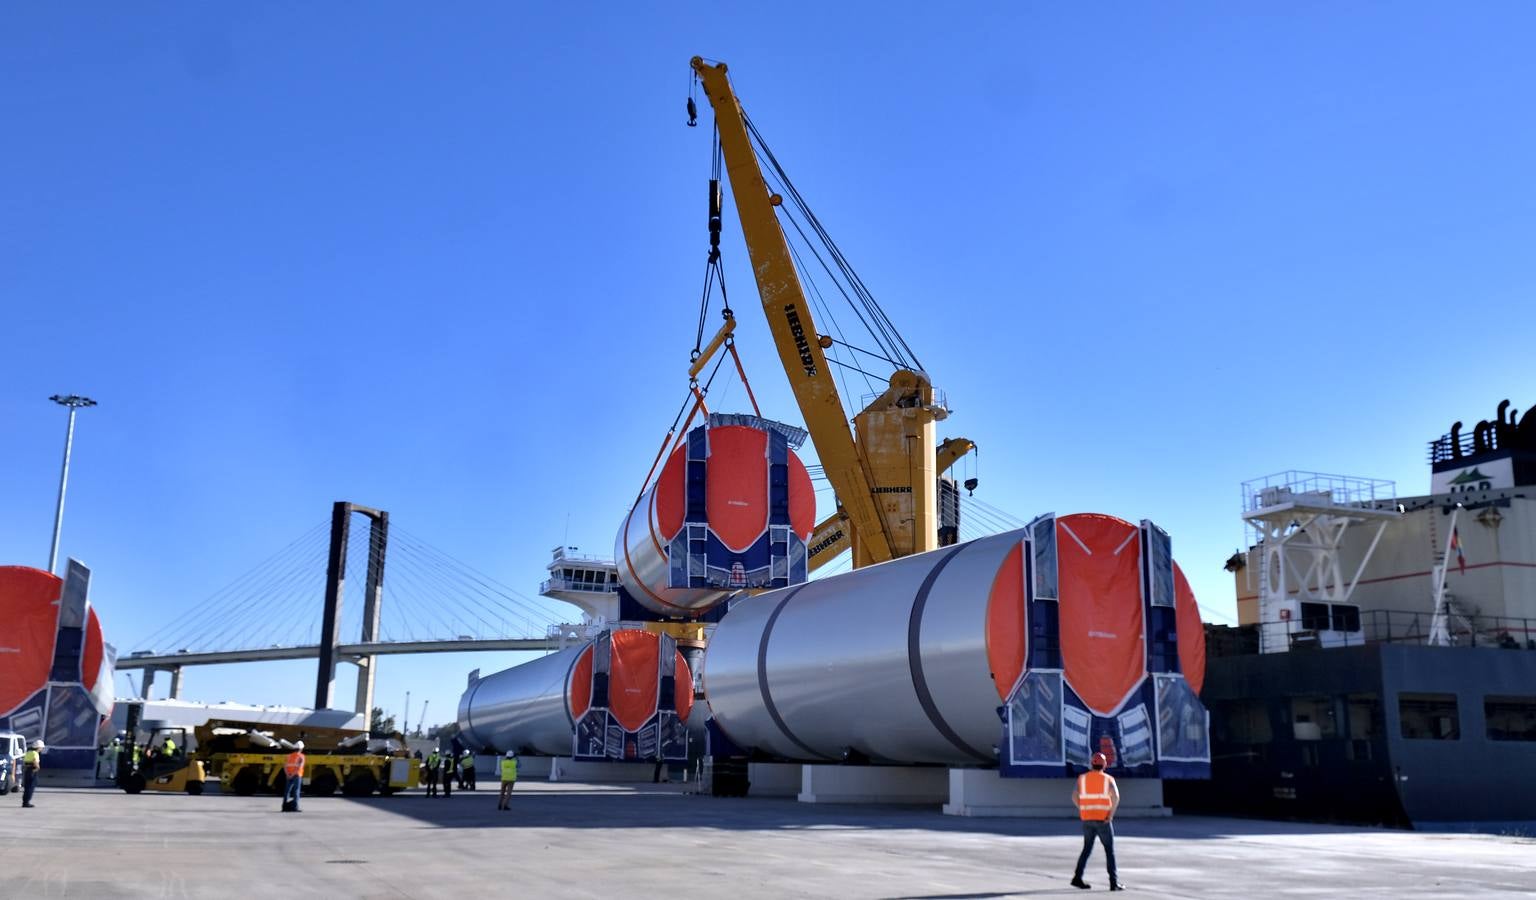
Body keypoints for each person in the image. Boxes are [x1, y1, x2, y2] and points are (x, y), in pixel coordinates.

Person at [1071, 752, 1122, 891]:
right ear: (1105, 764)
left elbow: (1074, 795)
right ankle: (1113, 882)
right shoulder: (1108, 779)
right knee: (1109, 850)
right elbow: (1116, 797)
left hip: (1087, 819)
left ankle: (1077, 877)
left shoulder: (1082, 778)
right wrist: (1110, 815)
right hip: (1103, 820)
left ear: (1091, 763)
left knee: (1086, 849)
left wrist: (1082, 808)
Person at [282, 740, 306, 813]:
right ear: (301, 749)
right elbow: (299, 767)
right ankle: (295, 807)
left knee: (287, 791)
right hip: (297, 775)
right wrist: (293, 774)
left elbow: (285, 766)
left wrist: (288, 774)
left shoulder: (288, 756)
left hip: (289, 775)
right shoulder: (301, 756)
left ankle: (284, 807)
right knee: (296, 791)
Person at [20, 740, 43, 808]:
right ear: (38, 747)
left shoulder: (28, 752)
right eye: (41, 747)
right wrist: (37, 768)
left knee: (27, 787)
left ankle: (25, 802)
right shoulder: (35, 753)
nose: (41, 749)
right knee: (31, 787)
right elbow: (35, 761)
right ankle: (27, 802)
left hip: (27, 770)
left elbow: (24, 762)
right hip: (32, 770)